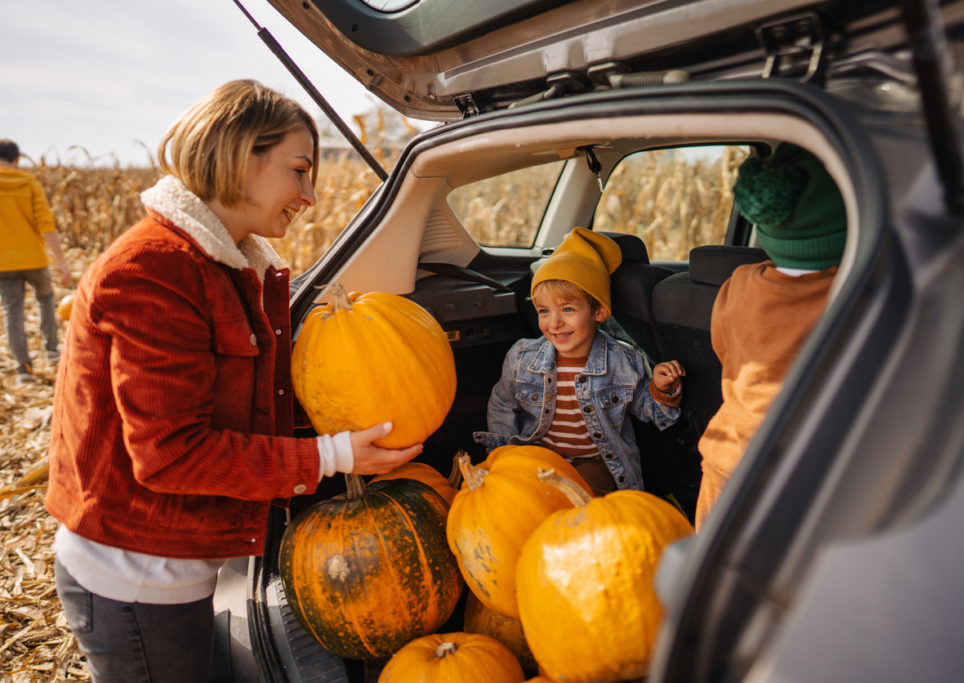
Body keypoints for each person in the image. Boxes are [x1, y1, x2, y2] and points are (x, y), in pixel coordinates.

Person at [44, 80, 423, 683]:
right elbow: (171, 455)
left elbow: (247, 404)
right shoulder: (154, 271)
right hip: (135, 577)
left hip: (179, 565)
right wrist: (333, 454)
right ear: (241, 154)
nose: (311, 196)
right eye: (299, 170)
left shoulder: (233, 264)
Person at [694, 142, 847, 531]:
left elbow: (724, 350)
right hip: (796, 480)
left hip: (723, 465)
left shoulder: (739, 285)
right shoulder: (850, 297)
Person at [474, 227, 684, 496]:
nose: (555, 323)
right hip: (539, 455)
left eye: (568, 310)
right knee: (510, 499)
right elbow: (503, 403)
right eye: (544, 311)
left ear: (599, 311)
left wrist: (661, 389)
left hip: (595, 461)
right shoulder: (522, 357)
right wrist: (502, 456)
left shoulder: (622, 359)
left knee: (575, 499)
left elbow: (646, 409)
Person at [0, 138, 72, 384]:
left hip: (3, 263)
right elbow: (46, 223)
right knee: (46, 300)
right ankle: (52, 350)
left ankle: (23, 370)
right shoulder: (29, 183)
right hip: (34, 257)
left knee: (12, 313)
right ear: (17, 159)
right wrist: (61, 263)